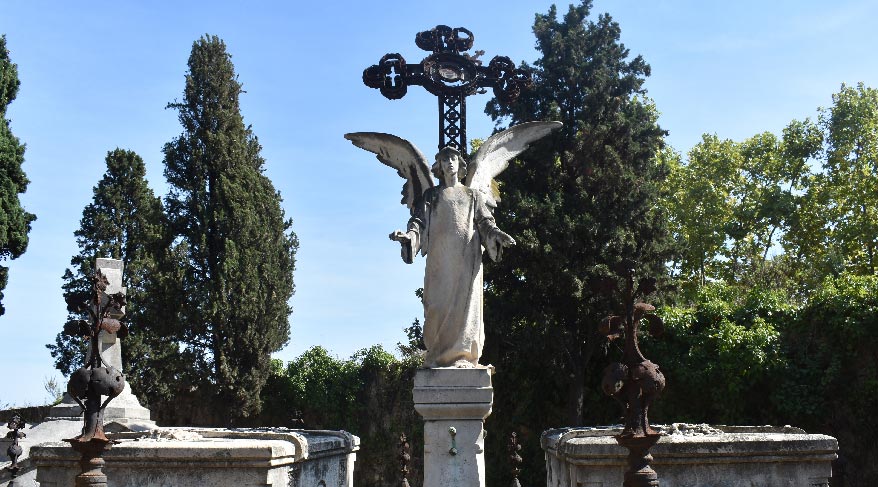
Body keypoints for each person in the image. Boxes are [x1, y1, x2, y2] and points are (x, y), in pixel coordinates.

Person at [391, 146, 515, 368]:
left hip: (466, 261)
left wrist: (496, 235)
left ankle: (463, 356)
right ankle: (437, 356)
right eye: (445, 159)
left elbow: (485, 222)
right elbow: (419, 223)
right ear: (439, 166)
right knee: (436, 307)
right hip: (439, 262)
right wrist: (408, 237)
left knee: (465, 311)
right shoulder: (431, 196)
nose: (449, 162)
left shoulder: (472, 196)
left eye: (453, 158)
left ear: (460, 164)